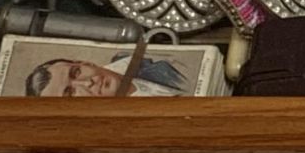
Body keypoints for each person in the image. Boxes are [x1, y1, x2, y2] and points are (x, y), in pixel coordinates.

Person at [23, 54, 188, 97]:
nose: (87, 83)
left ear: (86, 63)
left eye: (76, 72)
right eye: (71, 93)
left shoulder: (140, 60)